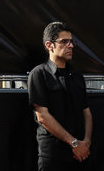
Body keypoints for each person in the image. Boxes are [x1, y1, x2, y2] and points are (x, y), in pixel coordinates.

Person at [28, 22, 93, 171]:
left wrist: (86, 143)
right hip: (53, 156)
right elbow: (42, 116)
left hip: (81, 155)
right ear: (49, 45)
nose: (70, 45)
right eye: (64, 41)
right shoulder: (39, 74)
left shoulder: (77, 77)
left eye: (71, 42)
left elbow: (87, 113)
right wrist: (74, 143)